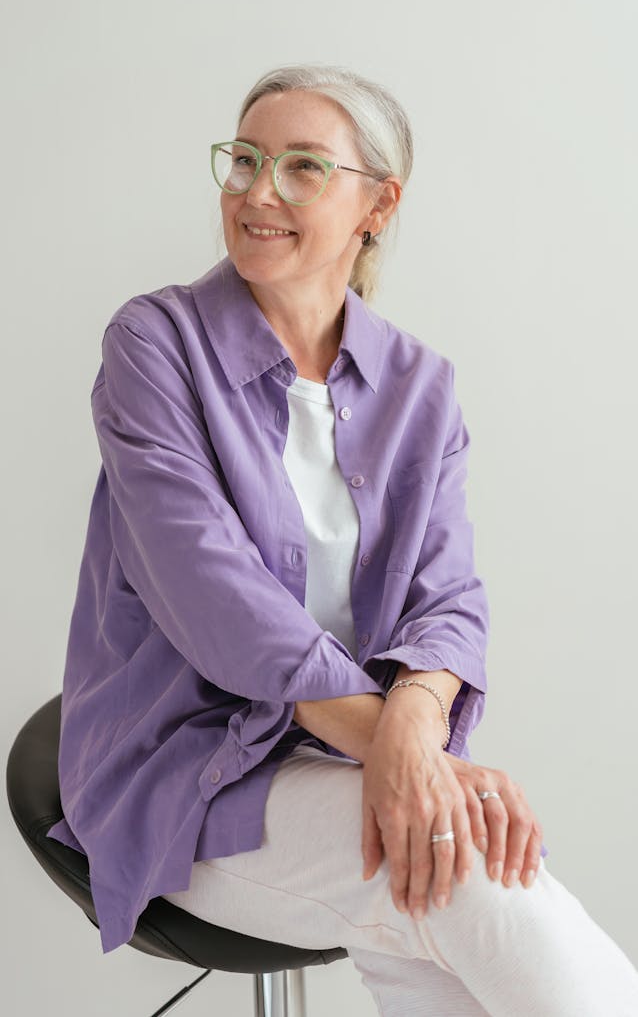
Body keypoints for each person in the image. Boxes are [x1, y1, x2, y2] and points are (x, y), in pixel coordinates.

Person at [47, 64, 638, 1014]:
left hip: (346, 756)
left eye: (302, 167)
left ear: (378, 204)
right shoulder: (155, 344)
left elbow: (449, 598)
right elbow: (211, 593)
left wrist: (415, 722)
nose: (257, 191)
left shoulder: (421, 385)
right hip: (187, 764)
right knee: (464, 870)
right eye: (243, 161)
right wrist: (412, 755)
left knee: (434, 913)